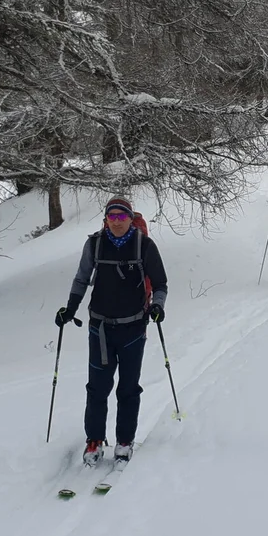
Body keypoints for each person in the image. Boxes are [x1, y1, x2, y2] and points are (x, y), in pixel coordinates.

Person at [55, 196, 167, 466]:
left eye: (121, 216)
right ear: (106, 219)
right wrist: (70, 309)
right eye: (112, 217)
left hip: (133, 328)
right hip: (100, 328)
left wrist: (157, 306)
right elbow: (82, 278)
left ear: (130, 218)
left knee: (128, 388)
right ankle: (94, 440)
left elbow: (161, 283)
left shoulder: (144, 245)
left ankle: (125, 441)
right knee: (97, 388)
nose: (116, 222)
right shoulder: (94, 244)